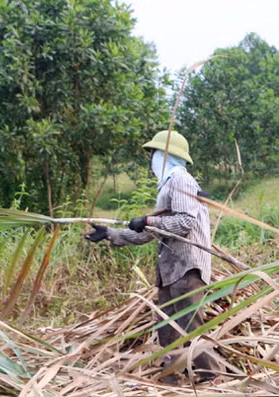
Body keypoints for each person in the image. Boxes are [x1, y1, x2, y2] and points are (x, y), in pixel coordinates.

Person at [84, 130, 217, 382]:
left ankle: (211, 380)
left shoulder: (180, 180)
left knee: (191, 327)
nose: (152, 159)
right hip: (170, 272)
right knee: (166, 328)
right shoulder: (168, 184)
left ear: (168, 155)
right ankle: (171, 380)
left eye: (155, 153)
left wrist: (147, 220)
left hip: (187, 270)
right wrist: (111, 234)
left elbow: (184, 222)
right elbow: (151, 233)